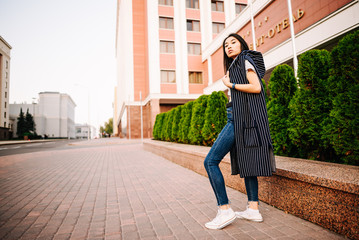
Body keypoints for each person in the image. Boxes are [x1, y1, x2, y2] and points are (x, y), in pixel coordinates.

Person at [204, 33, 276, 230]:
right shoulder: (236, 64)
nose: (229, 46)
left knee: (210, 161)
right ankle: (253, 209)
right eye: (226, 45)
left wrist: (230, 85)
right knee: (248, 162)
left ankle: (224, 210)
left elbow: (256, 87)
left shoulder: (244, 59)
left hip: (238, 119)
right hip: (241, 117)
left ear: (242, 44)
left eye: (233, 42)